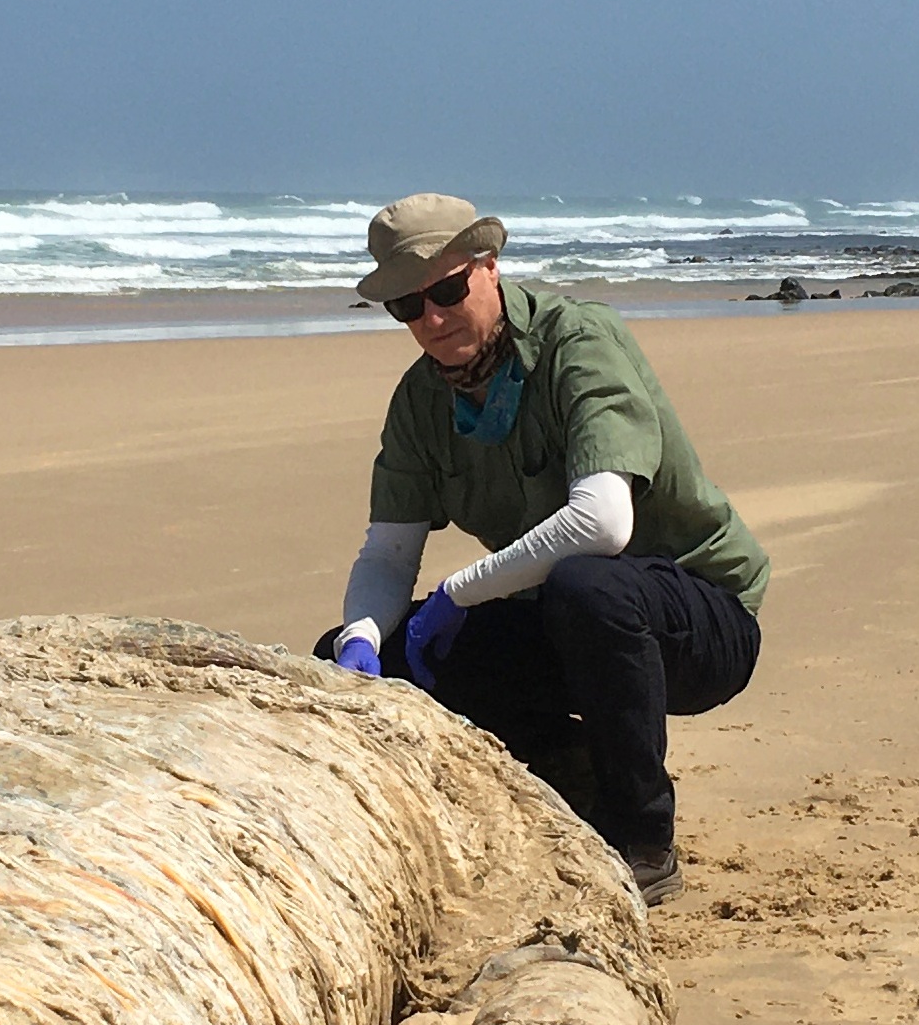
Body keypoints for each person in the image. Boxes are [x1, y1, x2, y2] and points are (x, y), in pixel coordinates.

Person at [316, 194, 770, 907]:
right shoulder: (420, 403)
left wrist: (457, 593)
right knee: (355, 655)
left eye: (444, 291)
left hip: (693, 618)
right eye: (407, 306)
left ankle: (643, 841)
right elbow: (386, 554)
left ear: (488, 268)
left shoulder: (577, 344)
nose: (431, 320)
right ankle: (571, 776)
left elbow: (602, 524)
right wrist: (362, 641)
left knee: (589, 586)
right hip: (560, 626)